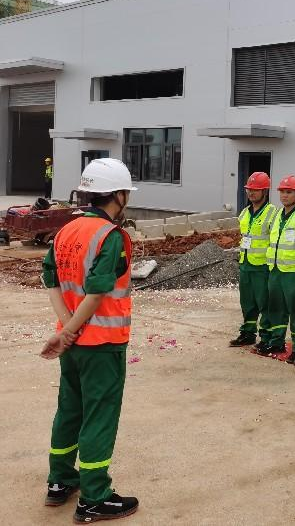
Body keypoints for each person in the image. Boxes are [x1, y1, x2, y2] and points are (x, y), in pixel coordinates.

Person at [39, 158, 139, 522]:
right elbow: (97, 293)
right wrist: (70, 332)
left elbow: (50, 279)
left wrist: (66, 330)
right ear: (119, 195)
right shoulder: (110, 236)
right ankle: (94, 497)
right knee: (99, 415)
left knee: (70, 409)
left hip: (73, 345)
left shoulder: (67, 231)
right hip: (102, 343)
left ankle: (60, 481)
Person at [262, 175, 295, 357]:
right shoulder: (276, 216)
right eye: (282, 192)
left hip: (294, 273)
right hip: (275, 271)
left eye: (289, 192)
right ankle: (277, 342)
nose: (284, 195)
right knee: (275, 308)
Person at [229, 172, 276, 348]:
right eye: (249, 189)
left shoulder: (272, 213)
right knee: (247, 302)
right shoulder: (244, 213)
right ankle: (247, 333)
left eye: (255, 190)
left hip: (262, 266)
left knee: (265, 303)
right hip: (246, 264)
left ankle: (266, 336)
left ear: (265, 191)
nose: (251, 193)